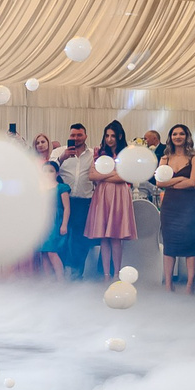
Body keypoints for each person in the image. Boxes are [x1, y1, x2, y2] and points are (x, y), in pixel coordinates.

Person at [83, 120, 137, 281]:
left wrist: (104, 175)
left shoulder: (126, 154)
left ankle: (116, 274)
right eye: (107, 135)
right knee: (104, 237)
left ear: (119, 136)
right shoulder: (100, 153)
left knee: (115, 237)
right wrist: (113, 174)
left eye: (113, 136)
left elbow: (126, 176)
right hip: (102, 195)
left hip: (119, 195)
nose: (109, 139)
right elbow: (92, 176)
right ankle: (106, 274)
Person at [157, 123, 195, 290]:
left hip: (189, 204)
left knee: (190, 244)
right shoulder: (165, 158)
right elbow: (160, 182)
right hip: (169, 206)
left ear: (187, 136)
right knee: (169, 244)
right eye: (175, 134)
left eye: (181, 134)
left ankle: (190, 284)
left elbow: (192, 182)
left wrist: (171, 183)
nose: (178, 137)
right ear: (170, 137)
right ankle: (168, 283)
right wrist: (179, 180)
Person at [52, 124, 93, 277]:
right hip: (63, 202)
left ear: (85, 136)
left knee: (80, 238)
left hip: (84, 201)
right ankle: (61, 272)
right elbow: (50, 170)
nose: (75, 138)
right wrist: (62, 158)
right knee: (62, 237)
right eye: (73, 135)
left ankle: (76, 271)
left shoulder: (93, 154)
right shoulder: (58, 152)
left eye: (79, 135)